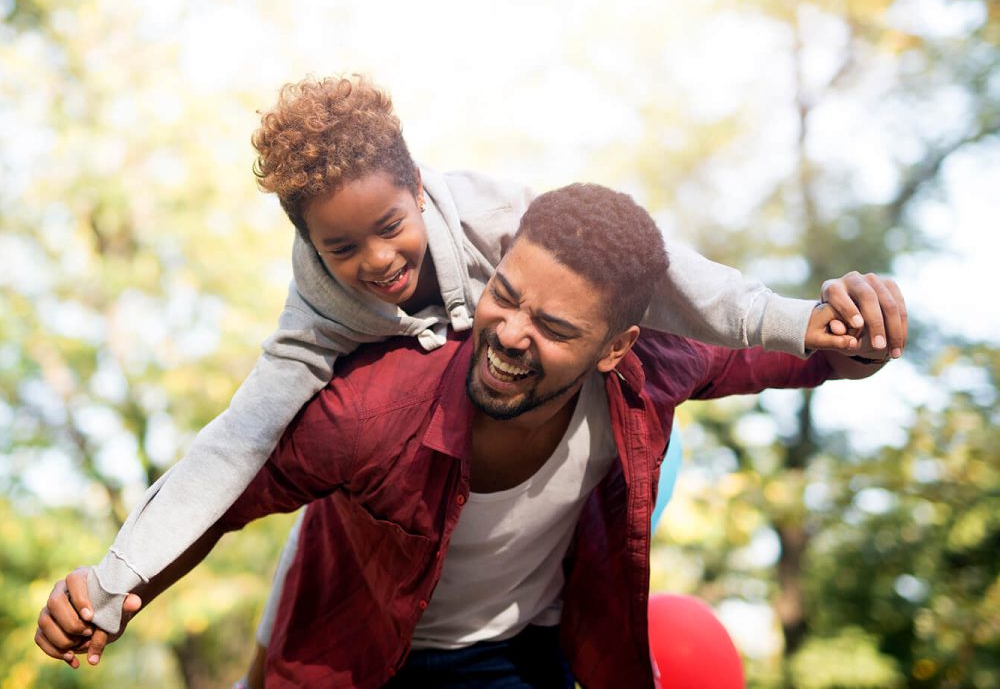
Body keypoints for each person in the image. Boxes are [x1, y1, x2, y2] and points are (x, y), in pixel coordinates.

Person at [73, 75, 894, 638]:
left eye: (391, 225)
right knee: (311, 546)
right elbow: (233, 452)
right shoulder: (315, 331)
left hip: (517, 636)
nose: (379, 261)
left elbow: (662, 273)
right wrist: (116, 581)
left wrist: (803, 326)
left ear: (421, 189)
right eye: (342, 247)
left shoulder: (499, 216)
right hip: (372, 540)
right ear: (308, 244)